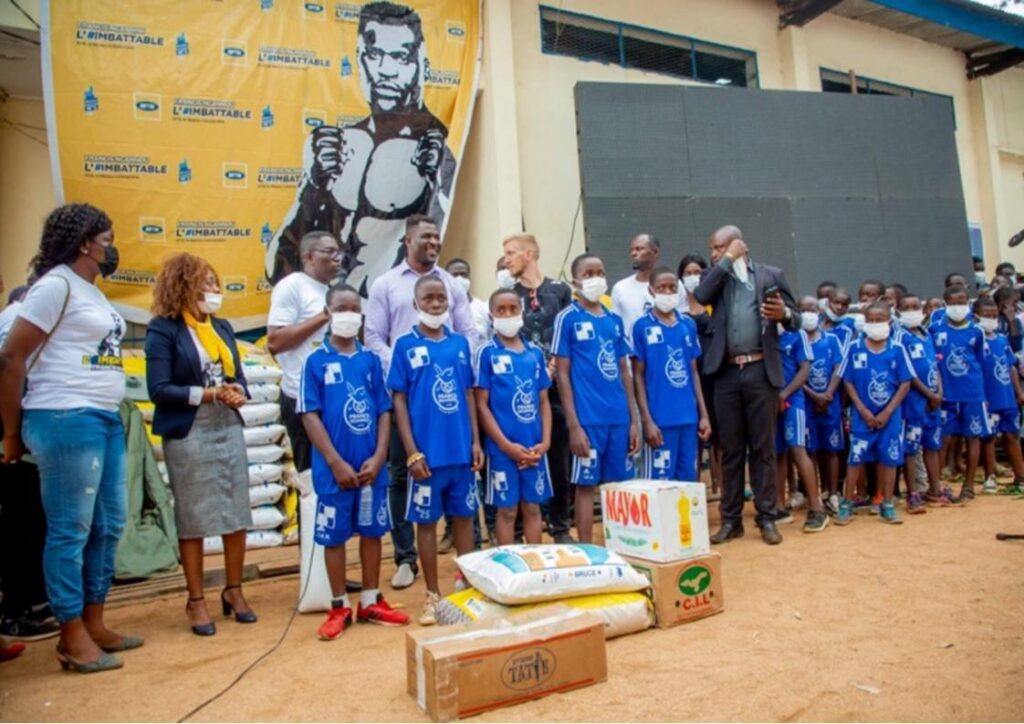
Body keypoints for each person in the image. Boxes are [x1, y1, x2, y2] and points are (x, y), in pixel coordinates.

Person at [0, 203, 140, 673]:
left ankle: (95, 620)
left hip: (101, 417)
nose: (111, 246)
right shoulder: (55, 286)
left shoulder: (90, 291)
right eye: (107, 237)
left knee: (108, 523)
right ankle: (70, 633)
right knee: (70, 529)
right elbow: (12, 357)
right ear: (84, 241)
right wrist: (12, 432)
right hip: (63, 415)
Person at [266, 1, 456, 292]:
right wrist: (313, 191)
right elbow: (277, 269)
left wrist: (436, 182)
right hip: (330, 309)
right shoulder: (335, 146)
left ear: (422, 65)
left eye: (400, 58)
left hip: (389, 307)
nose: (385, 71)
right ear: (359, 59)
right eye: (374, 55)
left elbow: (436, 243)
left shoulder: (438, 149)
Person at [146, 253, 255, 636]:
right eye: (204, 283)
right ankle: (196, 600)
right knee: (194, 517)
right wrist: (209, 394)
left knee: (235, 509)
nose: (213, 290)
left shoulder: (221, 327)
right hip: (190, 429)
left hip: (227, 425)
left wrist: (238, 391)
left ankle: (235, 590)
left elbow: (237, 376)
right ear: (183, 286)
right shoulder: (164, 330)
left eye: (215, 282)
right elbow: (158, 389)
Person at [365, 214, 475, 589]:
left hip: (449, 404)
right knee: (402, 475)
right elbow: (374, 337)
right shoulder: (385, 284)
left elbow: (467, 330)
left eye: (436, 236)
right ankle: (405, 558)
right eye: (425, 236)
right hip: (405, 397)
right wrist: (408, 365)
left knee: (458, 497)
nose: (433, 242)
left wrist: (445, 358)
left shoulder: (450, 284)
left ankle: (466, 576)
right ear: (408, 240)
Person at [300, 283, 410, 641]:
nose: (349, 314)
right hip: (335, 473)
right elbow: (310, 416)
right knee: (334, 538)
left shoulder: (369, 361)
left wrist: (380, 456)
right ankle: (338, 605)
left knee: (372, 531)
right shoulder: (315, 362)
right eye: (341, 308)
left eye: (354, 308)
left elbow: (383, 410)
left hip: (369, 471)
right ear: (328, 313)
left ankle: (369, 599)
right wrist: (334, 462)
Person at [693, 225, 800, 546]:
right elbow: (700, 296)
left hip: (760, 371)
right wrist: (726, 259)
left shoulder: (771, 275)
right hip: (726, 374)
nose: (714, 254)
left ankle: (767, 517)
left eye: (719, 247)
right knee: (731, 450)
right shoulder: (717, 277)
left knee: (764, 448)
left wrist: (784, 314)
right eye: (713, 249)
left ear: (741, 243)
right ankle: (731, 520)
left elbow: (795, 319)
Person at [387, 275, 482, 625]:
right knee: (426, 524)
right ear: (416, 305)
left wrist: (475, 441)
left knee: (464, 519)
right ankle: (432, 595)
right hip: (426, 455)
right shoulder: (405, 346)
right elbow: (398, 399)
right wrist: (411, 451)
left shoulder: (460, 344)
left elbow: (469, 393)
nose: (436, 303)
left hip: (460, 451)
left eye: (442, 298)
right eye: (428, 298)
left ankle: (467, 589)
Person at [554, 253, 638, 543]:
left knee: (620, 486)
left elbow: (624, 371)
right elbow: (562, 374)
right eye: (588, 273)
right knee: (586, 485)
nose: (596, 278)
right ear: (576, 280)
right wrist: (574, 425)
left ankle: (624, 544)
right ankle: (588, 549)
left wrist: (633, 420)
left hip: (619, 417)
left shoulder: (614, 320)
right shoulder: (567, 319)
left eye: (600, 272)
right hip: (588, 420)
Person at [502, 233, 575, 543]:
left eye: (511, 253)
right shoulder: (508, 295)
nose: (506, 259)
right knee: (520, 458)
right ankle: (519, 531)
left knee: (558, 459)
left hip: (556, 389)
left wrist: (554, 366)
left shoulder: (559, 291)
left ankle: (560, 527)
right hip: (519, 392)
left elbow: (568, 334)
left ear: (529, 254)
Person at [474, 289, 553, 546]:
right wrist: (506, 446)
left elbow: (543, 401)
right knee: (507, 511)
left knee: (532, 508)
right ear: (491, 315)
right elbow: (481, 405)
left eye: (513, 309)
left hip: (534, 448)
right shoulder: (487, 353)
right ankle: (509, 568)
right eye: (501, 310)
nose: (508, 314)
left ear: (522, 312)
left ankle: (535, 564)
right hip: (502, 451)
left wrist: (546, 442)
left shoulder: (534, 354)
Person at [267, 231, 342, 474]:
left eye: (338, 252)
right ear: (309, 256)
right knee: (311, 474)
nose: (337, 258)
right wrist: (323, 317)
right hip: (301, 397)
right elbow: (275, 341)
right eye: (330, 252)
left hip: (332, 395)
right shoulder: (293, 286)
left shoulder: (330, 290)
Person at [835, 302, 914, 525]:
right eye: (871, 320)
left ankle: (887, 504)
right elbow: (847, 381)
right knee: (855, 459)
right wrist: (862, 410)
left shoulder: (897, 349)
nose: (875, 324)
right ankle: (847, 504)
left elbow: (905, 383)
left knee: (889, 459)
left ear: (889, 321)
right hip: (862, 416)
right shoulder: (854, 347)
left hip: (890, 417)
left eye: (880, 319)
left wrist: (888, 411)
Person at [631, 267, 710, 482]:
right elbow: (637, 376)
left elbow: (694, 372)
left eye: (672, 288)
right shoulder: (641, 327)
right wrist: (646, 420)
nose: (667, 292)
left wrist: (703, 415)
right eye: (661, 288)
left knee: (688, 483)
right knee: (660, 485)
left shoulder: (687, 325)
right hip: (660, 421)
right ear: (651, 290)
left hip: (688, 418)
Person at [932, 284, 990, 503]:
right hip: (945, 395)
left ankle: (968, 485)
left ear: (968, 303)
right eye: (953, 303)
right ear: (946, 304)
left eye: (962, 302)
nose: (958, 307)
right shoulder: (936, 329)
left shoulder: (977, 331)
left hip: (972, 394)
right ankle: (937, 486)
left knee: (972, 438)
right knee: (942, 440)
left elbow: (981, 363)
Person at [774, 312, 829, 532]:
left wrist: (784, 394)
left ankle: (817, 508)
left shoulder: (797, 334)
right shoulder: (762, 335)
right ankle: (778, 507)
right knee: (777, 453)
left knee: (798, 450)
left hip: (792, 400)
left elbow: (804, 370)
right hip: (769, 403)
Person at [894, 294, 948, 509]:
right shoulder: (900, 337)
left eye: (915, 306)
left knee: (932, 445)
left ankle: (935, 489)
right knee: (911, 448)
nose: (911, 310)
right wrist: (929, 394)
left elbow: (935, 367)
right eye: (906, 307)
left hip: (934, 402)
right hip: (914, 403)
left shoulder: (927, 335)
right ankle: (913, 492)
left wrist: (939, 393)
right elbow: (908, 374)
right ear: (898, 311)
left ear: (923, 310)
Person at [678, 254, 721, 496]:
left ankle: (723, 493)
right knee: (693, 443)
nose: (693, 277)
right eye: (688, 273)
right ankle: (693, 495)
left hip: (716, 379)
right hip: (690, 383)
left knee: (721, 441)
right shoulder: (677, 311)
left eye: (698, 272)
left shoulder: (716, 306)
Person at [800, 296, 845, 516]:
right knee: (811, 451)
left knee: (832, 450)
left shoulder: (831, 340)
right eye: (804, 309)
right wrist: (813, 395)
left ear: (820, 312)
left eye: (812, 309)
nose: (809, 313)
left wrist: (827, 394)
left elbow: (839, 367)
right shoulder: (795, 341)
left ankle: (833, 493)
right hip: (806, 405)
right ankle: (813, 495)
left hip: (831, 403)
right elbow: (795, 375)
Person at [975, 296, 1024, 494]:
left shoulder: (1002, 339)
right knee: (989, 438)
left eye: (994, 316)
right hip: (988, 397)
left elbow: (1011, 366)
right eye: (987, 316)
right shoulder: (976, 340)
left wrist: (1018, 392)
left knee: (1012, 435)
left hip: (1007, 397)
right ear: (976, 316)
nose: (991, 319)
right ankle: (990, 477)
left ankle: (1020, 477)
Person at [611, 233, 661, 338]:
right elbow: (615, 325)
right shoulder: (620, 288)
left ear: (655, 252)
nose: (633, 253)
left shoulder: (672, 285)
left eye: (639, 249)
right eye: (631, 250)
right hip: (631, 352)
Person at [446, 257, 489, 348]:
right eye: (454, 275)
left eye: (464, 275)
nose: (459, 279)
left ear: (470, 277)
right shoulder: (441, 309)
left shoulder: (483, 308)